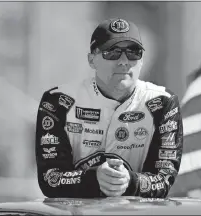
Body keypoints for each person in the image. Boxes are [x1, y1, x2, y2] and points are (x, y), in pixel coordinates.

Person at [35, 18, 183, 198]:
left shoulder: (163, 103)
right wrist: (94, 178)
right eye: (112, 52)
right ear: (92, 60)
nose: (123, 61)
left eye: (133, 52)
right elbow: (50, 179)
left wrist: (130, 181)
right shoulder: (58, 101)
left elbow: (164, 179)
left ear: (141, 61)